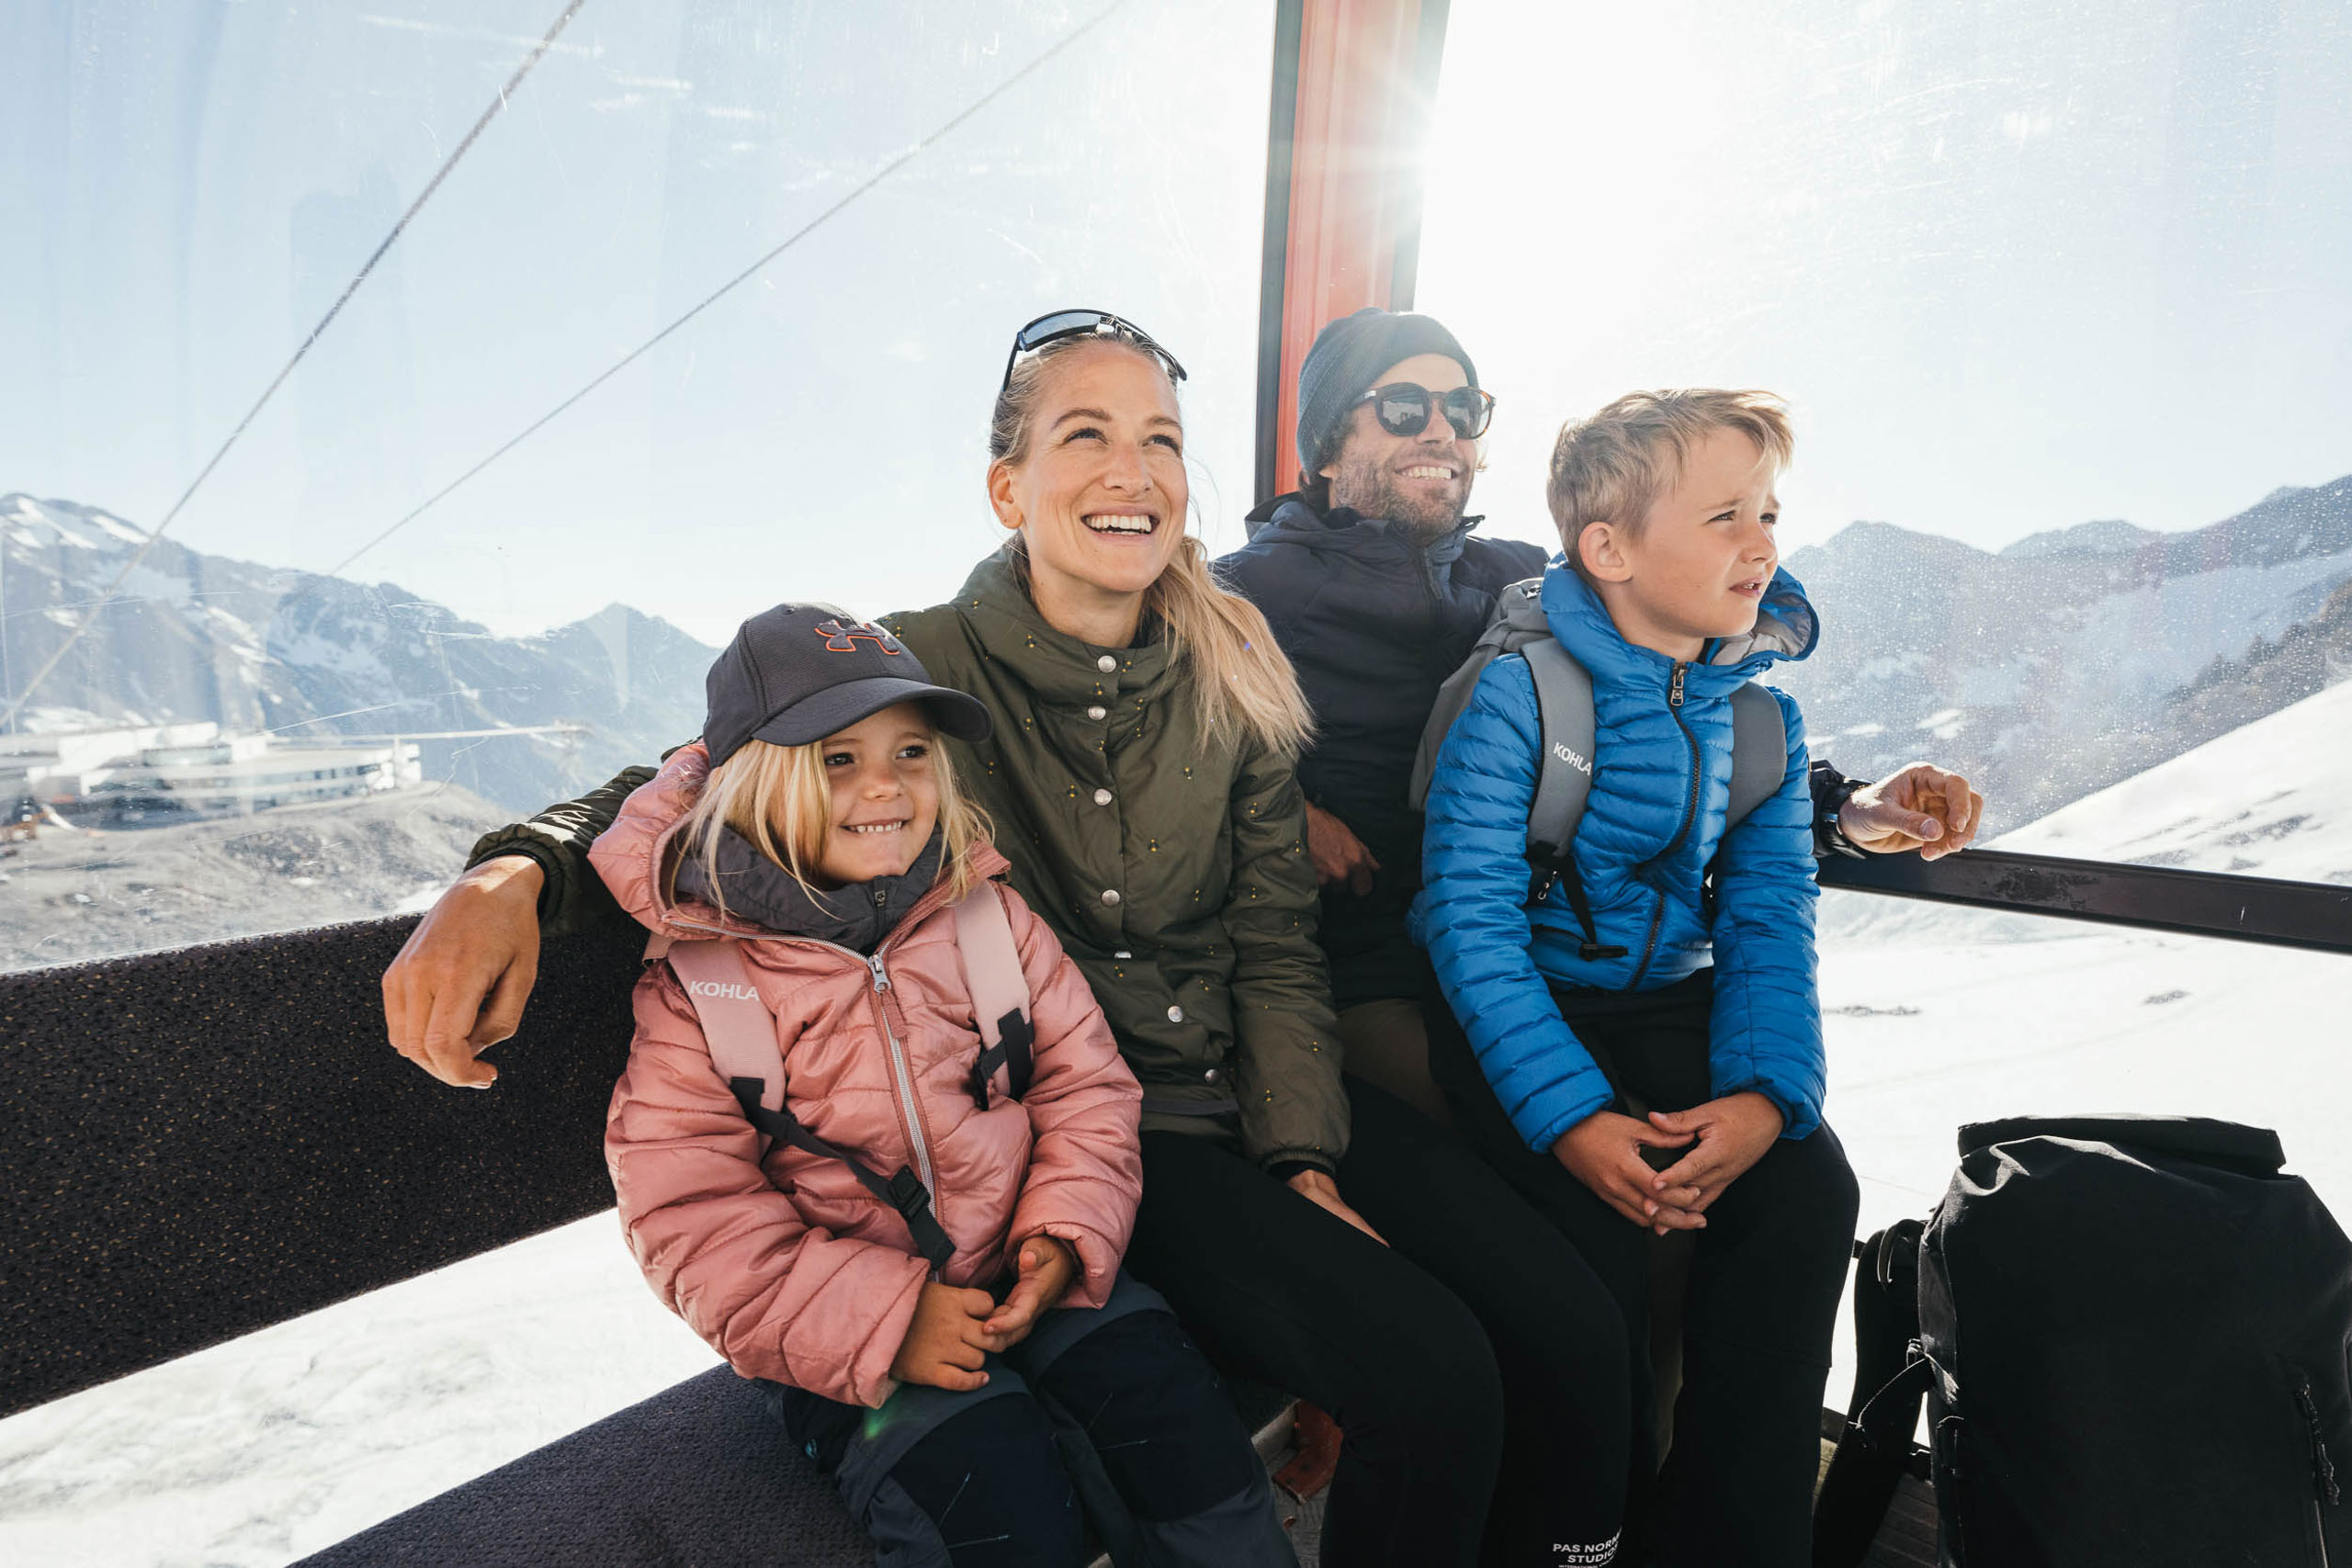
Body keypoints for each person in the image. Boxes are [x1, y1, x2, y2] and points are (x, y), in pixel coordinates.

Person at [383, 310, 1634, 1566]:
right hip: (1110, 1134)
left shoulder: (1231, 664)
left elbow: (1272, 939)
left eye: (1160, 439)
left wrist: (1306, 1154)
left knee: (1568, 1317)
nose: (1130, 470)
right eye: (1084, 433)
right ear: (1008, 487)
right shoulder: (918, 674)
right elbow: (705, 779)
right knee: (1436, 1379)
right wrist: (516, 869)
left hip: (1258, 1101)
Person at [596, 604, 1287, 1566]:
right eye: (838, 758)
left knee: (1188, 1446)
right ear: (757, 778)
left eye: (912, 753)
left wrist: (1063, 1232)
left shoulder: (983, 920)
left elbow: (1085, 1089)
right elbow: (691, 1219)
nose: (886, 785)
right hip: (851, 1337)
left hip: (1033, 1270)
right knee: (994, 1506)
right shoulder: (706, 989)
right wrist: (889, 1321)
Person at [1216, 307, 1984, 1127]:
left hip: (1530, 950)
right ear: (1329, 448)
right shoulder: (1244, 596)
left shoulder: (1524, 581)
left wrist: (1844, 810)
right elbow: (1144, 753)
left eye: (1463, 408)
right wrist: (1281, 814)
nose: (1441, 430)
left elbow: (1669, 701)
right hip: (1361, 961)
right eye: (1404, 406)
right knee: (1517, 1137)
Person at [1414, 389, 1862, 1565]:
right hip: (1527, 1005)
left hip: (1670, 998)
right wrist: (1571, 1121)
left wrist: (1767, 1099)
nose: (1761, 544)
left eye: (1766, 512)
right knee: (1595, 1241)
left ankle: (1736, 1539)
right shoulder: (1524, 695)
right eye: (1723, 516)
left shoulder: (1759, 722)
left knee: (1807, 1195)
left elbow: (1769, 919)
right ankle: (1580, 1537)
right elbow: (1466, 921)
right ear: (1607, 550)